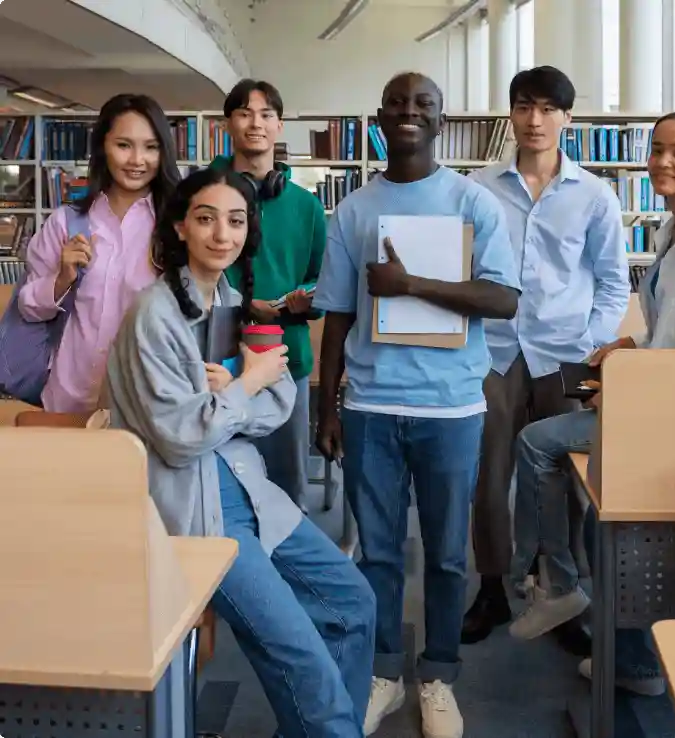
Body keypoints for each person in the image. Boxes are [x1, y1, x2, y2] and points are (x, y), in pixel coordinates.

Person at [105, 167, 375, 738]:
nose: (221, 234)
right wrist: (244, 384)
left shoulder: (229, 298)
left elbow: (277, 405)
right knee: (300, 657)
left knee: (353, 603)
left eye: (235, 220)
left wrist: (230, 391)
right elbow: (183, 439)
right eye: (205, 218)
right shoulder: (153, 316)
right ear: (180, 226)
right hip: (195, 510)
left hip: (246, 485)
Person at [510, 111, 675, 692]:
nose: (663, 162)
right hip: (661, 400)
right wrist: (631, 344)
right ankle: (633, 652)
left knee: (539, 445)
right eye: (657, 150)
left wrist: (629, 387)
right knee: (604, 502)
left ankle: (566, 587)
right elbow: (674, 329)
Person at [314, 72, 521, 738]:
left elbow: (504, 300)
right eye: (399, 104)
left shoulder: (473, 202)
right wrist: (327, 408)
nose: (410, 112)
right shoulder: (353, 210)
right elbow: (339, 316)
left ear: (440, 120)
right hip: (371, 405)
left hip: (452, 409)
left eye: (423, 105)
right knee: (374, 552)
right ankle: (383, 672)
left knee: (446, 554)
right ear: (380, 117)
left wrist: (412, 284)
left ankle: (438, 674)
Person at [461, 65, 629, 646]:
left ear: (567, 118)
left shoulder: (595, 195)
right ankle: (491, 588)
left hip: (567, 356)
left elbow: (612, 282)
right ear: (510, 113)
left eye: (547, 109)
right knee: (489, 479)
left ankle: (558, 591)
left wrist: (593, 345)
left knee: (567, 479)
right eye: (524, 107)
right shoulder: (477, 189)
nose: (535, 120)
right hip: (496, 353)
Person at [17, 93, 180, 414]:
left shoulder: (178, 227)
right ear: (102, 147)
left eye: (151, 147)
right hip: (66, 398)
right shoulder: (67, 222)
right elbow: (28, 308)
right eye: (124, 145)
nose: (137, 160)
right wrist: (61, 279)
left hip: (144, 405)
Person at [210, 78, 327, 512]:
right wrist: (241, 303)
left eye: (265, 115)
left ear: (279, 126)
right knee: (217, 488)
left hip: (284, 361)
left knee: (286, 490)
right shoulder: (207, 196)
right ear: (227, 125)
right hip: (216, 360)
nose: (254, 124)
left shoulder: (306, 206)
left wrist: (306, 299)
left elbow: (323, 278)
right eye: (243, 113)